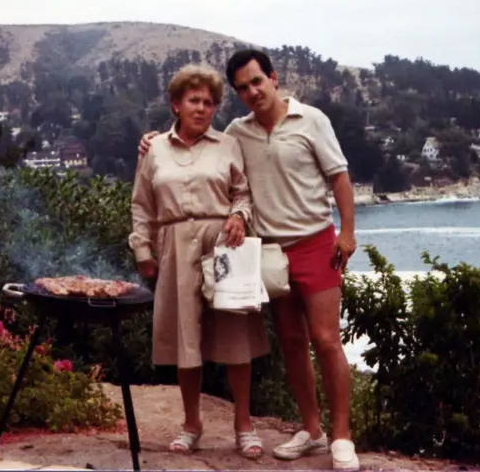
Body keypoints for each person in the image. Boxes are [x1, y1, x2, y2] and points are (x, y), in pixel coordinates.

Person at [138, 50, 359, 471]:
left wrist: (347, 233)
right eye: (242, 87)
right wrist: (151, 139)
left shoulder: (312, 120)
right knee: (293, 344)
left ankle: (342, 436)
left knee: (327, 341)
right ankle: (312, 432)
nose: (252, 91)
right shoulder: (238, 132)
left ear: (274, 78)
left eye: (257, 81)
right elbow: (197, 148)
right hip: (270, 251)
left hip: (315, 242)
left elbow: (340, 177)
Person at [129, 63, 270, 459]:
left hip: (223, 243)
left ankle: (244, 424)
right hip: (174, 245)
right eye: (194, 100)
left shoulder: (227, 144)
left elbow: (242, 193)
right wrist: (143, 250)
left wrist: (238, 216)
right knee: (185, 340)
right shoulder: (154, 149)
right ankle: (192, 423)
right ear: (176, 104)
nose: (202, 108)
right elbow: (141, 204)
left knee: (234, 336)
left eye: (209, 102)